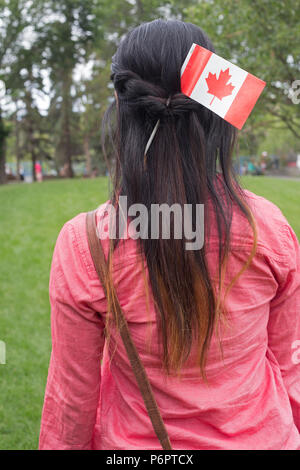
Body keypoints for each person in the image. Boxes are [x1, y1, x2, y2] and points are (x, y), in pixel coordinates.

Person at [39, 19, 300, 450]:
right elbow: (292, 365)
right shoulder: (268, 229)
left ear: (122, 111)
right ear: (217, 110)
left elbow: (71, 404)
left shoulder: (86, 242)